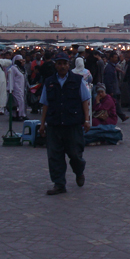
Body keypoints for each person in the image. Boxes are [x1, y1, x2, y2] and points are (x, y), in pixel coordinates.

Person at [39, 52, 91, 195]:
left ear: (69, 65)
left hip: (72, 123)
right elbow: (45, 104)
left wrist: (87, 120)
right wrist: (42, 124)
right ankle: (59, 184)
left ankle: (79, 171)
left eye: (65, 64)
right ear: (55, 65)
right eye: (59, 64)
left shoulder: (77, 80)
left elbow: (84, 101)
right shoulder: (49, 82)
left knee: (75, 154)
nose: (62, 66)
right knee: (54, 155)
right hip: (54, 123)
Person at [6, 54, 27, 120]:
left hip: (21, 88)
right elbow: (10, 79)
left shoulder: (21, 69)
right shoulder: (13, 69)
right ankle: (15, 115)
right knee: (16, 102)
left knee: (21, 102)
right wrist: (10, 88)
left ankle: (21, 114)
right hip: (15, 88)